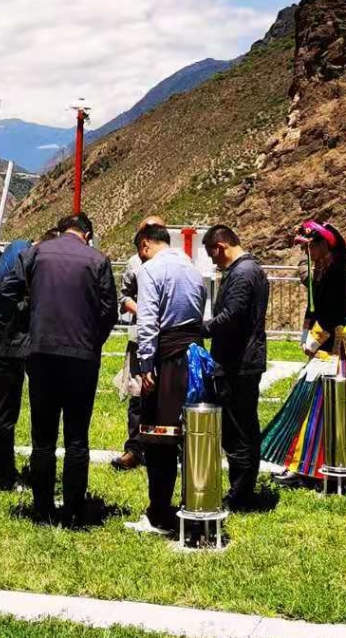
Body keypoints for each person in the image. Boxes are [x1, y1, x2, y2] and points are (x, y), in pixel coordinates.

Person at [0, 213, 119, 525]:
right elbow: (109, 311)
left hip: (41, 354)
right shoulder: (98, 260)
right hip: (82, 357)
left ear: (61, 231)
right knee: (77, 437)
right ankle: (74, 508)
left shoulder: (35, 253)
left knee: (43, 437)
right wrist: (93, 340)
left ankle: (42, 508)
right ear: (87, 235)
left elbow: (6, 290)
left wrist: (15, 321)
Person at [125, 224, 207, 535]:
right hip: (195, 357)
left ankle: (159, 513)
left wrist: (147, 364)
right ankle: (194, 504)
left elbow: (148, 320)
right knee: (192, 435)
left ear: (145, 245)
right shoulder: (191, 267)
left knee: (159, 436)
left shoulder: (151, 269)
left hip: (167, 358)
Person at [0, 228, 61, 488]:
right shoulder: (27, 256)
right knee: (7, 408)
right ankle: (6, 476)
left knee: (0, 400)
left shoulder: (17, 247)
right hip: (7, 337)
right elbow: (5, 292)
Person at [261, 221, 346, 484]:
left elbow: (331, 314)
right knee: (308, 408)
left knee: (316, 412)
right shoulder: (324, 272)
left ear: (325, 246)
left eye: (311, 246)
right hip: (324, 352)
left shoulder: (337, 274)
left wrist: (313, 341)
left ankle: (308, 466)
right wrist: (306, 335)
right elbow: (314, 308)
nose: (308, 251)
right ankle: (304, 464)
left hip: (332, 354)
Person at [201, 225, 269, 510]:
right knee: (246, 427)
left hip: (237, 363)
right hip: (246, 360)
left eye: (212, 255)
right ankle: (244, 489)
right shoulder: (253, 269)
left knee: (237, 430)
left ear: (221, 247)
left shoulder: (241, 274)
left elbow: (231, 317)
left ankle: (240, 495)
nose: (214, 262)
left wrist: (202, 328)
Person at [111, 215, 167, 473]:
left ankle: (165, 447)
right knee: (137, 393)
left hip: (167, 338)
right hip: (140, 336)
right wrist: (144, 311)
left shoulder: (172, 261)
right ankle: (134, 449)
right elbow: (123, 298)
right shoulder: (135, 262)